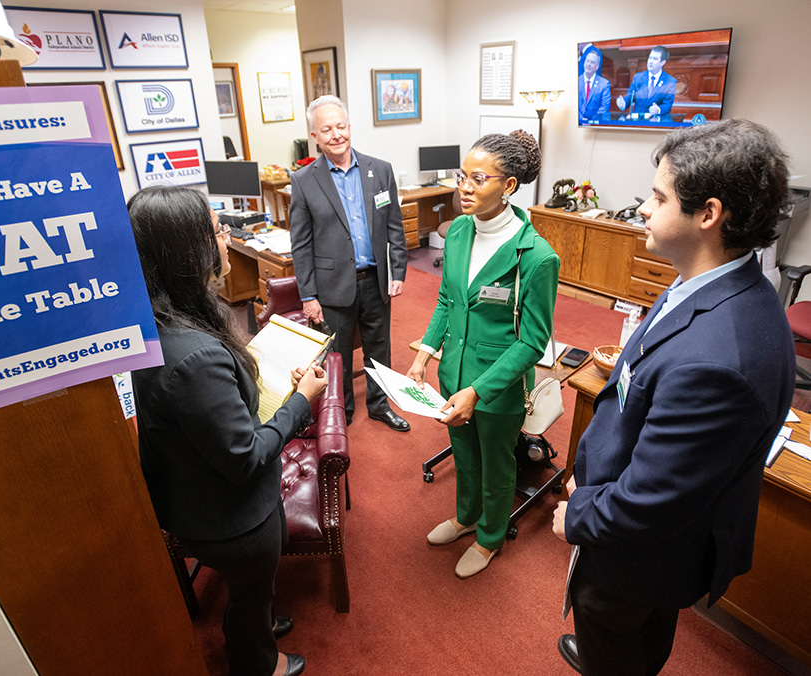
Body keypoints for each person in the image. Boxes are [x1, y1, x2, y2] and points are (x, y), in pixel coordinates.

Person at [552, 119, 795, 675]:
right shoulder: (710, 280)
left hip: (641, 553)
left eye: (658, 197)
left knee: (609, 623)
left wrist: (578, 512)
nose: (641, 208)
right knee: (628, 635)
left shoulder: (719, 360)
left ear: (708, 215)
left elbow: (652, 501)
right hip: (645, 525)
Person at [128, 186, 327, 676]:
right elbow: (245, 457)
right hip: (231, 519)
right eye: (217, 230)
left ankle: (257, 621)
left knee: (253, 595)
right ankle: (258, 662)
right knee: (250, 591)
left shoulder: (160, 319)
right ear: (187, 251)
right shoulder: (194, 356)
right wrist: (302, 402)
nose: (226, 238)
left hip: (197, 496)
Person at [408, 131, 560, 578]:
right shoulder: (457, 230)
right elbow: (447, 301)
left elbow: (533, 342)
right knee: (463, 451)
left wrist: (479, 390)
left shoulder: (536, 257)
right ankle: (464, 517)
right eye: (462, 176)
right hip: (452, 373)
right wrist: (426, 353)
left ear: (509, 186)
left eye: (478, 178)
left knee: (497, 463)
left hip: (495, 385)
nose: (465, 187)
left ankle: (490, 537)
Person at [289, 95, 410, 432]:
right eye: (326, 130)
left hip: (376, 279)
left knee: (379, 347)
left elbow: (393, 225)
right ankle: (340, 412)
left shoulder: (380, 170)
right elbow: (301, 244)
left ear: (349, 128)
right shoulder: (303, 181)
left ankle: (379, 404)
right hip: (332, 286)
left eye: (340, 126)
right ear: (315, 136)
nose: (336, 135)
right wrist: (308, 295)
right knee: (338, 356)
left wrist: (397, 270)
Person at [616, 45, 677, 120]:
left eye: (655, 59)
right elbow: (630, 97)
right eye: (650, 58)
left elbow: (667, 105)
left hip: (655, 122)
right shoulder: (638, 77)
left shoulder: (670, 81)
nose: (650, 61)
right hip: (637, 121)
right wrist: (623, 103)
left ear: (662, 62)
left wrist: (658, 109)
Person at [578, 48, 611, 124]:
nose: (589, 64)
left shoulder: (604, 84)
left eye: (592, 62)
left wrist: (591, 122)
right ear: (584, 63)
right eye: (587, 61)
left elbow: (604, 109)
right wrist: (581, 119)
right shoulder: (577, 82)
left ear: (597, 66)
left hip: (596, 125)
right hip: (578, 124)